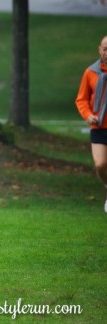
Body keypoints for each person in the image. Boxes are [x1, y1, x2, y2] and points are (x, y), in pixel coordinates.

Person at [75, 35, 107, 213]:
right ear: (99, 49)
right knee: (101, 165)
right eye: (105, 48)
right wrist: (88, 115)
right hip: (99, 127)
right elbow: (81, 99)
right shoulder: (91, 73)